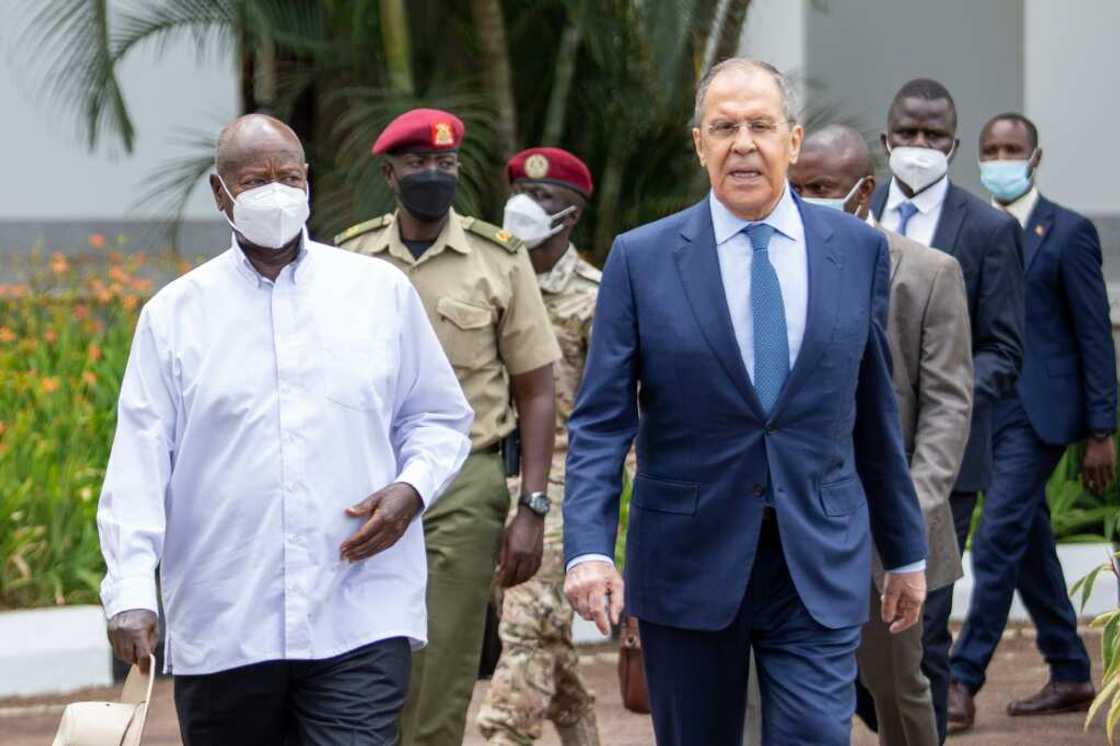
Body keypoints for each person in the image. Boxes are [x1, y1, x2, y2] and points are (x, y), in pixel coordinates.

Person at [563, 57, 929, 746]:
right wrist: (588, 549)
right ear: (698, 143)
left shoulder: (856, 251)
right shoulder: (641, 259)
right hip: (688, 561)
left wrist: (905, 551)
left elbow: (872, 412)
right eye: (724, 128)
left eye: (760, 126)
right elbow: (601, 423)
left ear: (793, 140)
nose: (743, 145)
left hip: (815, 554)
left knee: (817, 735)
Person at [97, 113, 473, 745]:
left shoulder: (378, 293)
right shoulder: (174, 317)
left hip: (357, 611)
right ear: (221, 194)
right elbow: (139, 463)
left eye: (289, 177)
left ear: (308, 182)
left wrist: (411, 490)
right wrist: (131, 589)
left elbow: (437, 416)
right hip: (227, 621)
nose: (276, 192)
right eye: (255, 180)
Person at [335, 108, 561, 746]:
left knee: (441, 666)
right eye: (418, 163)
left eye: (446, 163)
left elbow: (536, 389)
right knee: (359, 660)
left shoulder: (498, 259)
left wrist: (532, 506)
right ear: (389, 174)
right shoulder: (351, 258)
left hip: (462, 483)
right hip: (365, 480)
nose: (433, 174)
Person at [789, 124, 974, 746]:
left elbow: (948, 406)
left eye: (821, 187)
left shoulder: (926, 273)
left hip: (884, 527)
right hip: (793, 514)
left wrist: (906, 511)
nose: (805, 200)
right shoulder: (771, 264)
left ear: (864, 191)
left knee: (896, 688)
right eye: (796, 188)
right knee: (788, 682)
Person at [946, 112, 1117, 731]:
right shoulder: (970, 228)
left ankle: (961, 679)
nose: (1001, 159)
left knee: (995, 540)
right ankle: (1070, 671)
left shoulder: (1067, 232)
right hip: (985, 407)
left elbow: (1094, 333)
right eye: (991, 149)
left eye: (1011, 149)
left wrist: (1101, 430)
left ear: (1034, 157)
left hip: (1040, 413)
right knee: (1028, 541)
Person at [869, 78, 1026, 743]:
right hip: (852, 459)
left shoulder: (988, 230)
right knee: (856, 629)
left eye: (933, 135)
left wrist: (945, 395)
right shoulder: (853, 210)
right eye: (908, 133)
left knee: (922, 626)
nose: (919, 145)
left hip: (944, 465)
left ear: (954, 145)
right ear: (886, 139)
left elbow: (1004, 349)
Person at [475, 147, 602, 745]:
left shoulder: (598, 297)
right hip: (484, 474)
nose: (524, 205)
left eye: (543, 197)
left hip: (559, 483)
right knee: (545, 636)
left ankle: (504, 735)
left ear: (569, 216)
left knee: (525, 633)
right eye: (521, 193)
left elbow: (621, 413)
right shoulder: (487, 280)